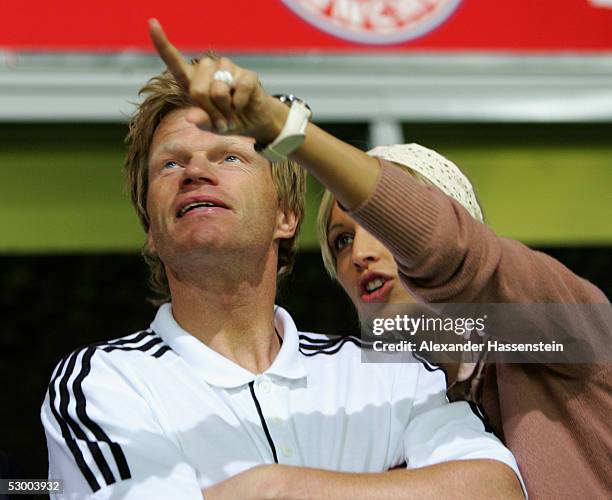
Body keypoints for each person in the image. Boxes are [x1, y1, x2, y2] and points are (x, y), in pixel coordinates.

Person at [39, 20, 525, 500]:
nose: (195, 171)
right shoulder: (102, 382)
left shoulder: (389, 374)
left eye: (228, 156)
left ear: (287, 215)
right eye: (170, 163)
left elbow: (497, 488)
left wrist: (274, 487)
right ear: (150, 231)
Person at [314, 144, 612, 498]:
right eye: (342, 240)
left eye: (383, 225)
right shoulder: (371, 409)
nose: (359, 254)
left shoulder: (561, 329)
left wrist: (294, 133)